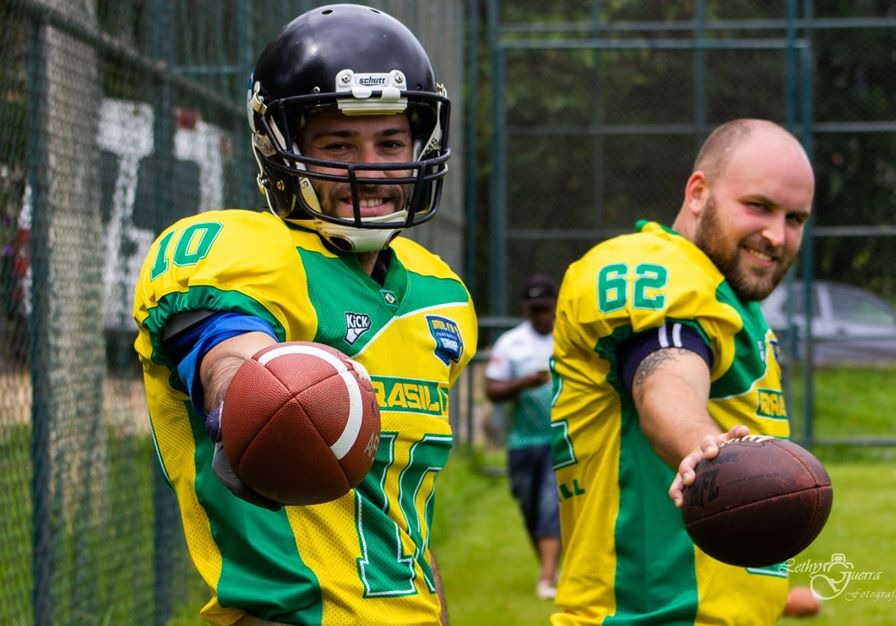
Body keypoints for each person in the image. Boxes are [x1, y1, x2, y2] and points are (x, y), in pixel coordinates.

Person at [132, 5, 476, 625]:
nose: (370, 170)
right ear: (280, 148)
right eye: (339, 143)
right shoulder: (247, 252)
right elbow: (229, 349)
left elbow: (402, 525)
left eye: (391, 142)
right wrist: (242, 400)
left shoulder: (439, 294)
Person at [548, 119, 816, 625]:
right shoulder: (659, 270)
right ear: (698, 193)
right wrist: (703, 448)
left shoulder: (730, 298)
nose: (777, 235)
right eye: (758, 206)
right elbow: (664, 373)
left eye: (795, 218)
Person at [484, 273, 562, 600]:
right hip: (522, 442)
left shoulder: (568, 338)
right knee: (530, 510)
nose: (541, 316)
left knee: (549, 506)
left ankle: (547, 578)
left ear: (556, 306)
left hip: (559, 439)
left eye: (546, 308)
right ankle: (550, 566)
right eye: (535, 310)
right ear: (526, 310)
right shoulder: (511, 343)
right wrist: (523, 384)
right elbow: (492, 389)